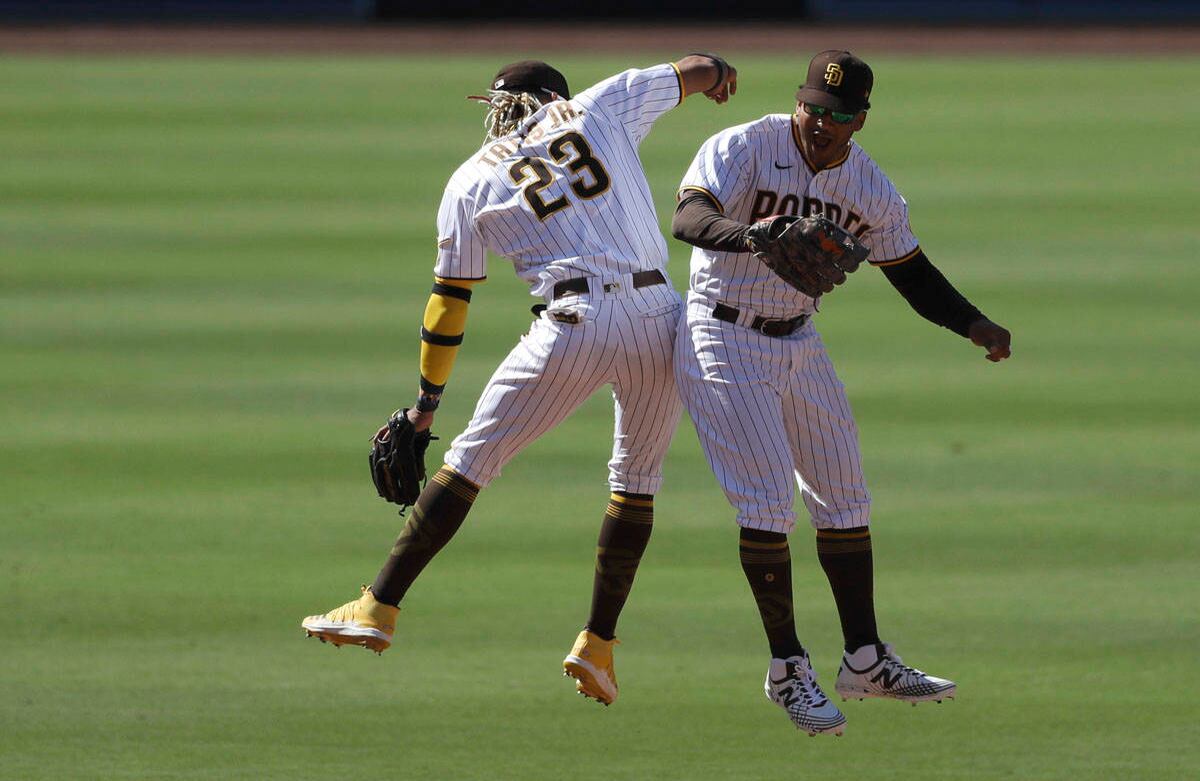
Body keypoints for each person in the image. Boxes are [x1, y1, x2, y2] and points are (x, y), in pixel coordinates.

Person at [301, 54, 739, 707]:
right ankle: (598, 645)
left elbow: (449, 303)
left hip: (574, 321)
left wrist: (425, 407)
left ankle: (379, 606)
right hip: (659, 317)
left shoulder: (470, 179)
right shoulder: (602, 103)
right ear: (555, 98)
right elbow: (699, 66)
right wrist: (719, 76)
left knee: (471, 461)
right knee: (636, 481)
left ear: (499, 109)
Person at [670, 50, 1012, 736]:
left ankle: (864, 658)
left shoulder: (869, 186)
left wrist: (973, 323)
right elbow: (687, 219)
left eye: (838, 116)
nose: (821, 124)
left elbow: (910, 272)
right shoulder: (743, 145)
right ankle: (787, 667)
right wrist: (754, 234)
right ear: (798, 101)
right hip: (721, 333)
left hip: (799, 338)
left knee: (846, 495)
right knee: (769, 502)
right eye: (813, 108)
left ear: (860, 120)